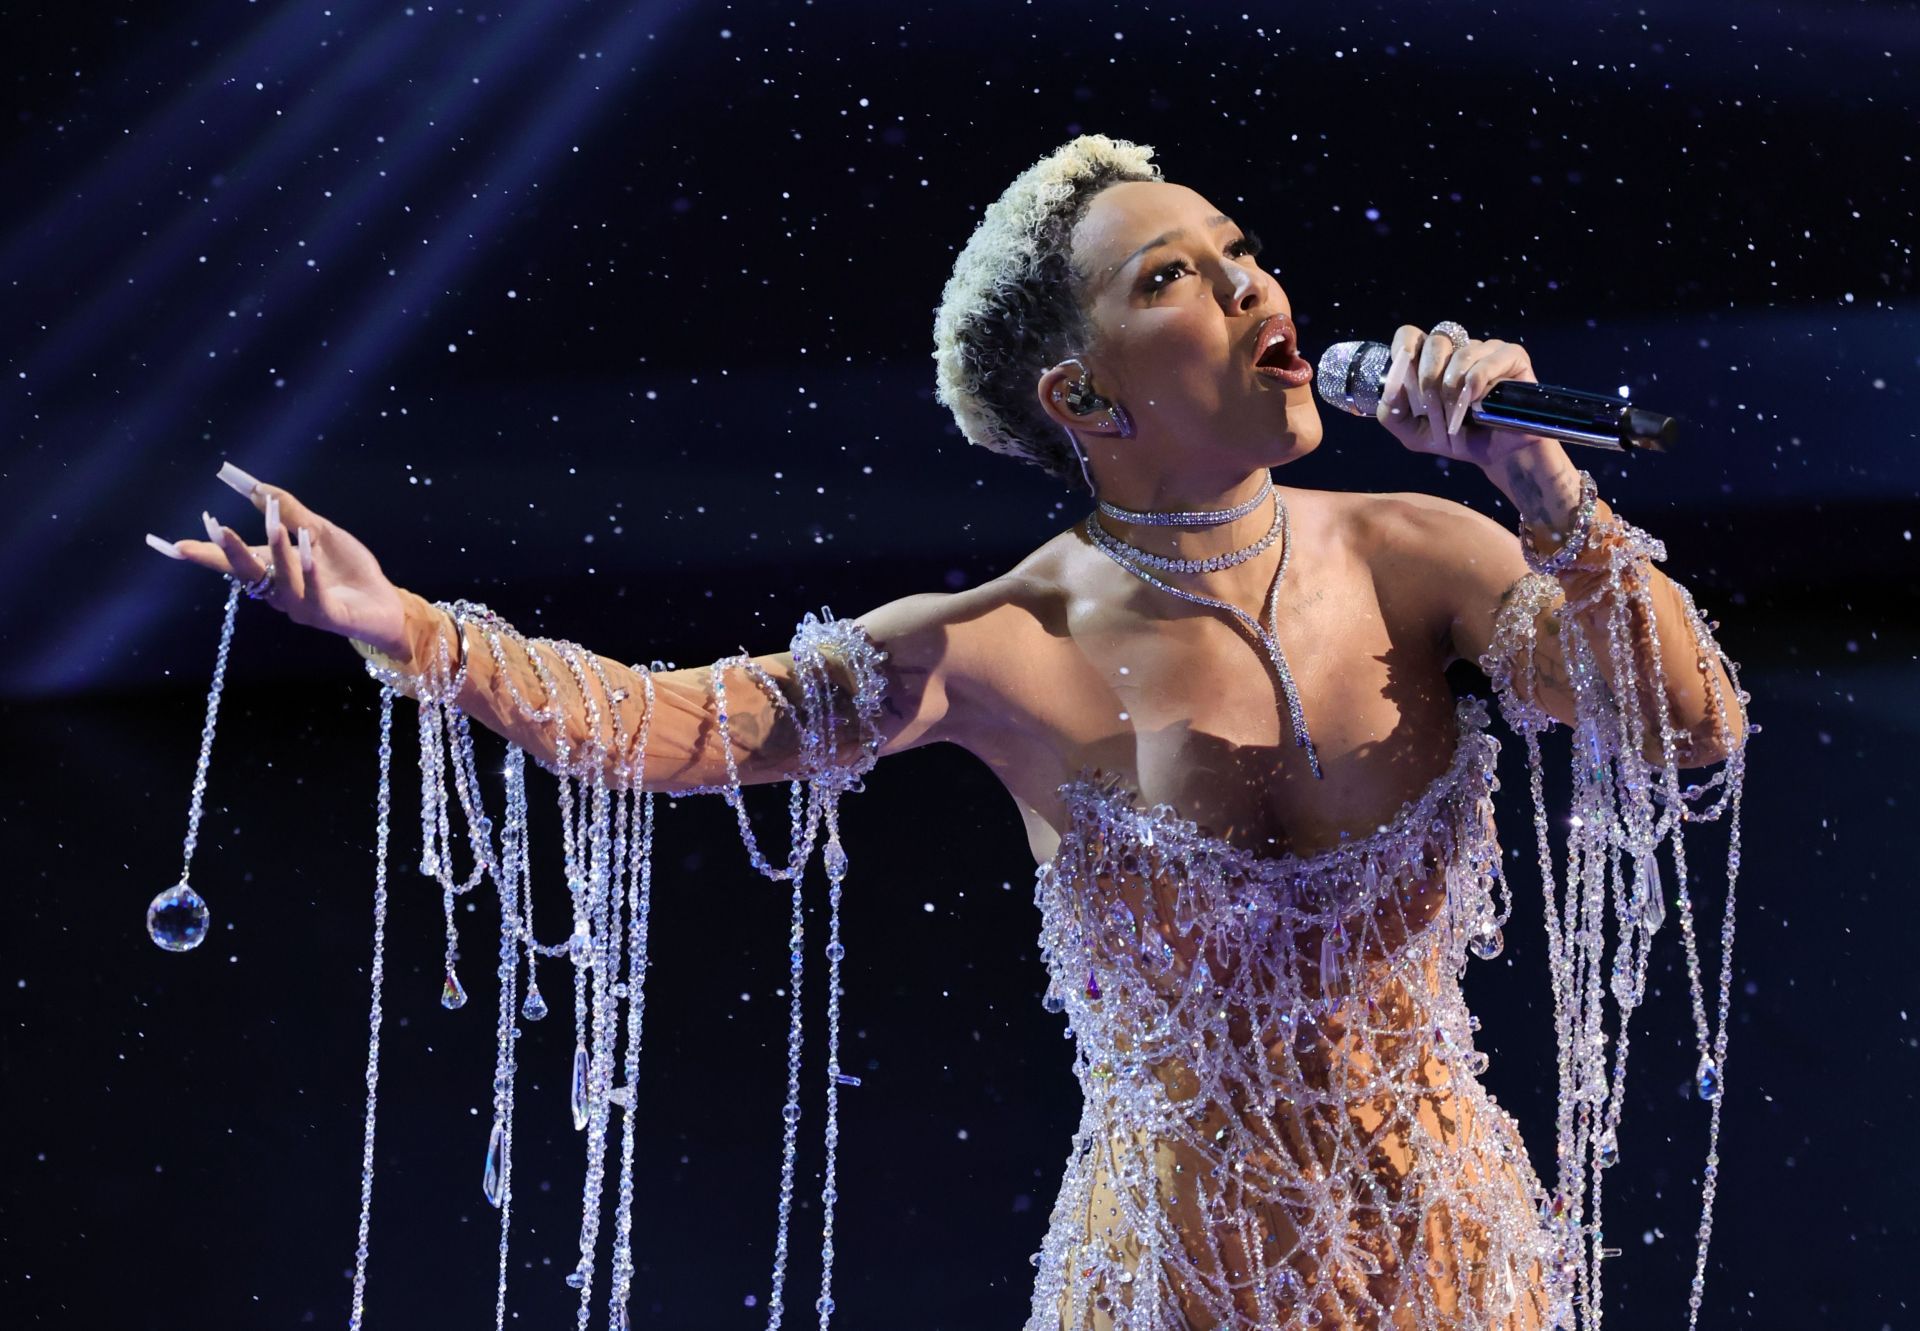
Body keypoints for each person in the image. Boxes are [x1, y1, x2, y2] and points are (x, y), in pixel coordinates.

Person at [147, 134, 1748, 1330]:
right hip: (1174, 1288)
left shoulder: (1433, 554)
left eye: (1237, 247)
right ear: (1088, 398)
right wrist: (402, 628)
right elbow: (668, 727)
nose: (1253, 282)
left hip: (1456, 1266)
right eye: (1172, 277)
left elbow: (1690, 726)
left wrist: (1543, 490)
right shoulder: (996, 646)